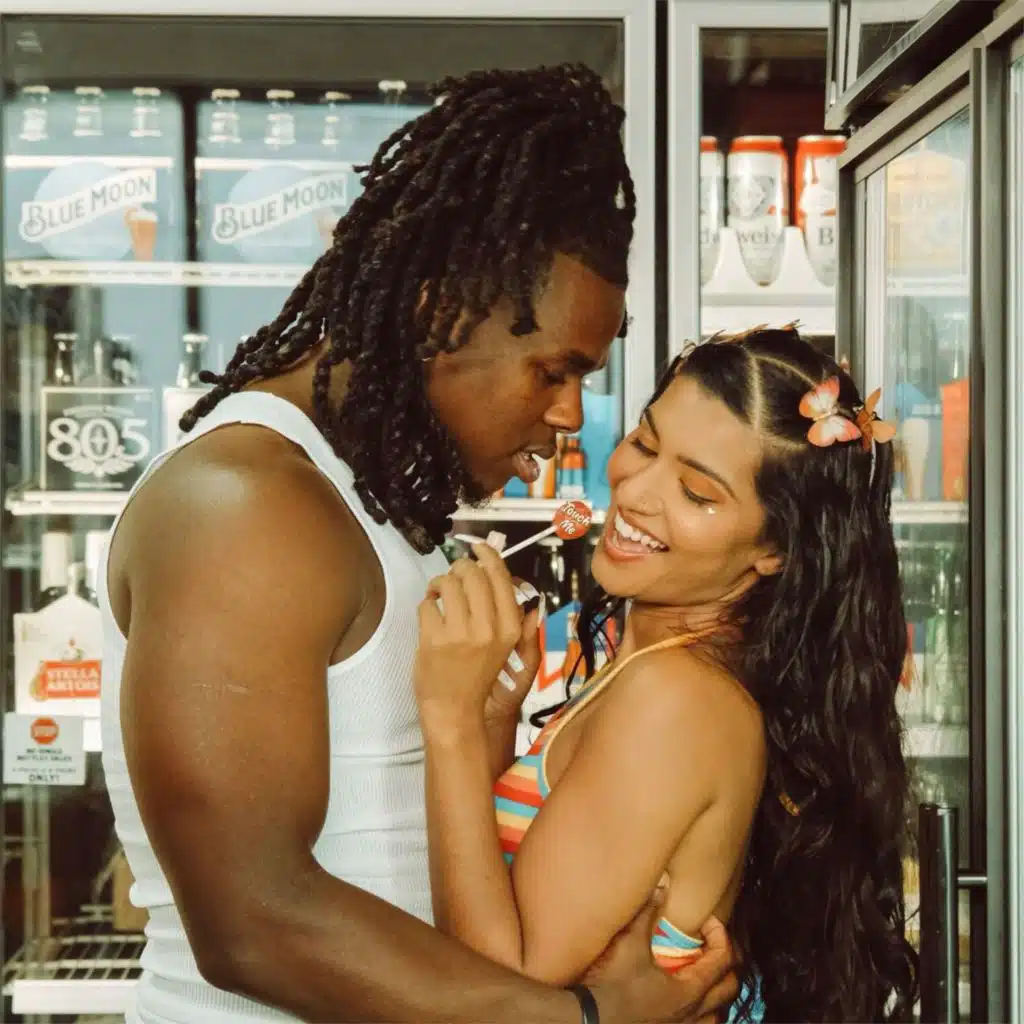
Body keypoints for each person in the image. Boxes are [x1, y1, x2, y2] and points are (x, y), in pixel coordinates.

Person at [98, 64, 738, 1024]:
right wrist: (585, 1018)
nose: (571, 415)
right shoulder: (245, 507)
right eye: (552, 372)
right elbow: (253, 919)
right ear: (438, 314)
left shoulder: (374, 499)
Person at [413, 326, 921, 1022]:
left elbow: (499, 996)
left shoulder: (676, 699)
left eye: (695, 492)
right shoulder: (651, 670)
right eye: (647, 445)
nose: (636, 493)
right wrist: (492, 715)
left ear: (775, 547)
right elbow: (510, 886)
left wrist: (448, 724)